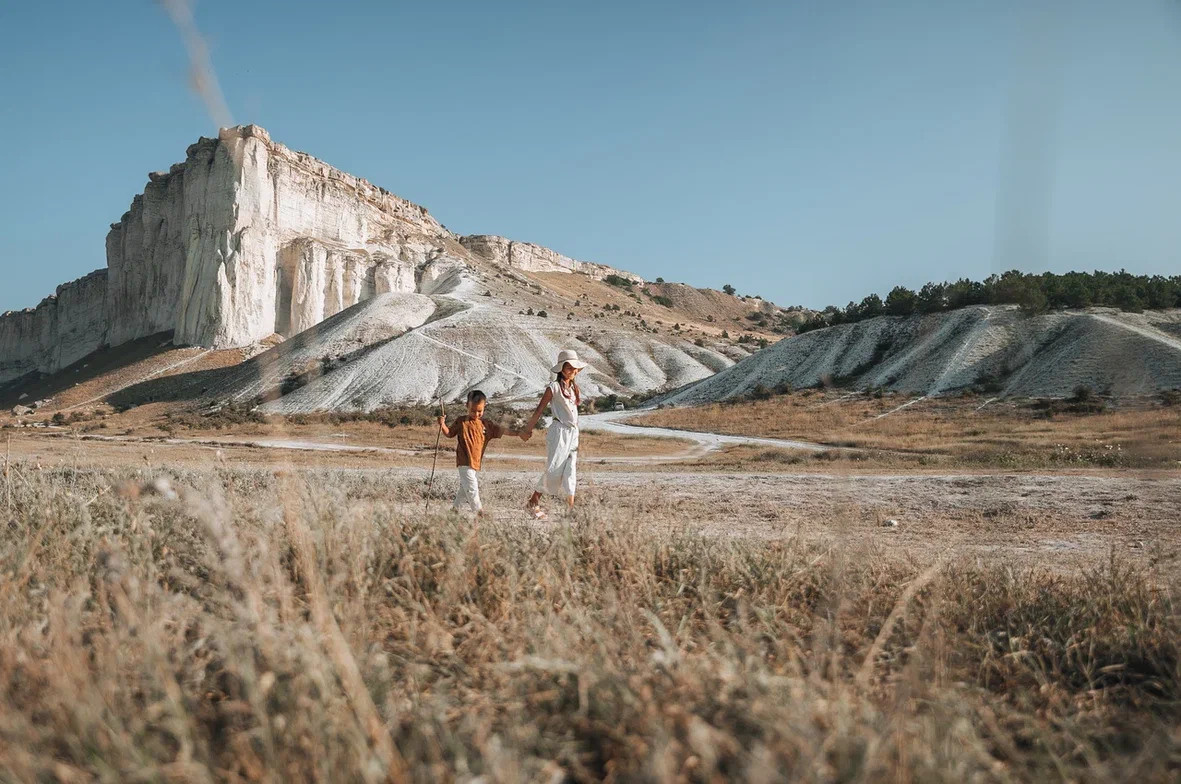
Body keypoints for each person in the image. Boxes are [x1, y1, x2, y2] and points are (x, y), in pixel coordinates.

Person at [438, 389, 528, 516]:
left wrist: (519, 433)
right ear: (467, 406)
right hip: (464, 462)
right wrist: (442, 425)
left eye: (479, 411)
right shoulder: (461, 421)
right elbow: (449, 433)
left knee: (465, 489)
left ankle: (454, 511)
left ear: (484, 407)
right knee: (472, 487)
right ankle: (479, 512)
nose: (476, 414)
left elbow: (502, 430)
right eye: (473, 410)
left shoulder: (486, 425)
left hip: (475, 463)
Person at [523, 349, 588, 519]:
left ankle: (570, 509)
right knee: (554, 470)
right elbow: (539, 410)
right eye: (569, 368)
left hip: (573, 433)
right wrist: (528, 429)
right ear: (561, 369)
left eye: (575, 369)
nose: (573, 371)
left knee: (570, 470)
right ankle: (533, 502)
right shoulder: (553, 388)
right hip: (559, 433)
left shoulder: (574, 389)